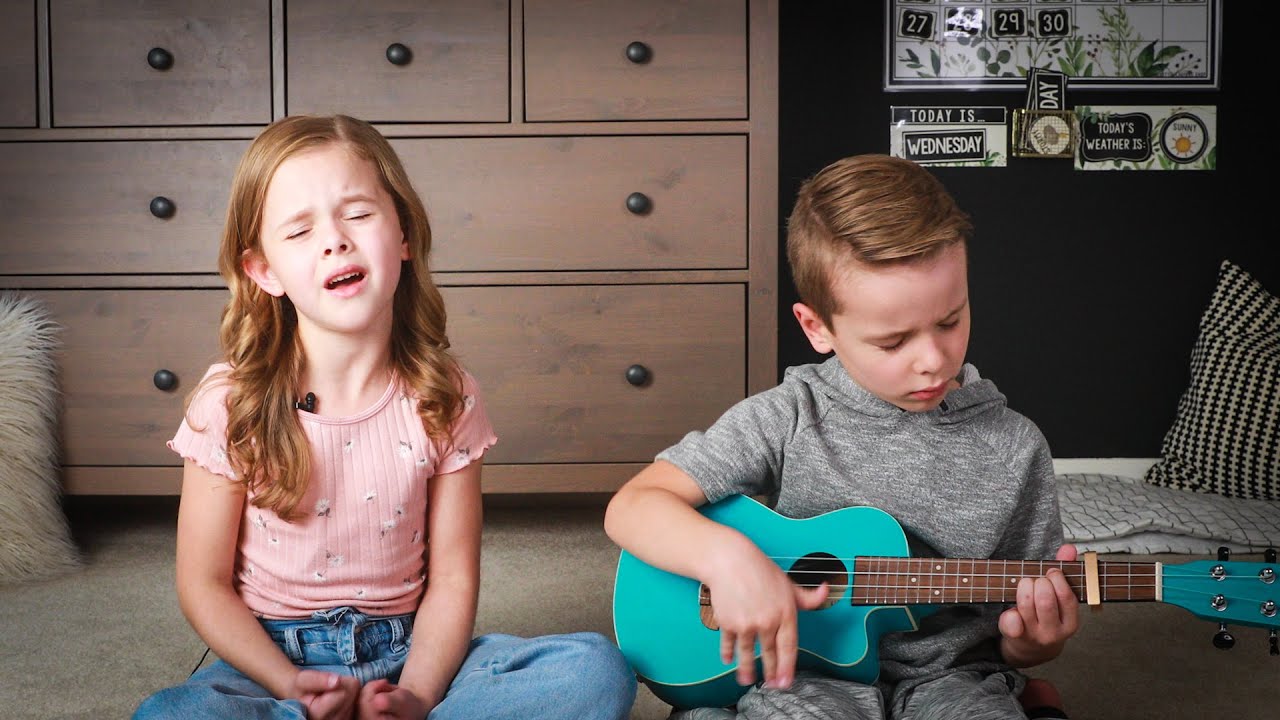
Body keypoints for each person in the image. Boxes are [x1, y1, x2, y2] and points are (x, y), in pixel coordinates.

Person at [134, 114, 636, 720]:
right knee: (169, 714)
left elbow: (452, 581)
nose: (334, 240)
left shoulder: (446, 396)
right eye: (300, 230)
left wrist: (418, 695)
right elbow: (204, 585)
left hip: (412, 653)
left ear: (404, 234)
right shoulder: (229, 402)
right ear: (264, 271)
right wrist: (294, 686)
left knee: (595, 669)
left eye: (358, 213)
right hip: (271, 666)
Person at [604, 154, 1079, 720]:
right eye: (892, 341)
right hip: (799, 674)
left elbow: (1021, 626)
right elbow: (633, 507)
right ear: (817, 328)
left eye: (950, 321)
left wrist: (1034, 645)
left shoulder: (1016, 449)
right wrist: (727, 560)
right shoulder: (787, 416)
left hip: (951, 677)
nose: (933, 359)